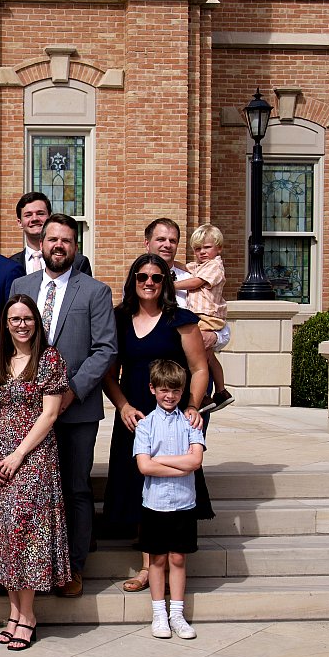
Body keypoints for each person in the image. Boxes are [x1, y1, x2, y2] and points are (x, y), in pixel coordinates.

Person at [8, 213, 116, 598]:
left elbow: (105, 349)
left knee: (75, 488)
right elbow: (10, 340)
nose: (58, 246)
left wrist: (71, 390)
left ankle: (74, 568)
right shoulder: (21, 286)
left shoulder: (95, 291)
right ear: (41, 244)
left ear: (75, 246)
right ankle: (33, 568)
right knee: (32, 491)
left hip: (76, 411)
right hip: (26, 411)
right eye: (52, 239)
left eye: (66, 240)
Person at [102, 252, 214, 591]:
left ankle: (171, 562)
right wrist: (122, 406)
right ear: (133, 280)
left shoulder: (181, 319)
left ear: (166, 282)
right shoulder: (119, 318)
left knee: (170, 484)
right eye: (142, 276)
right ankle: (148, 566)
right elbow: (109, 374)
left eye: (156, 277)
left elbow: (199, 368)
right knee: (139, 487)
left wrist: (193, 406)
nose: (148, 282)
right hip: (135, 417)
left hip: (172, 416)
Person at [0, 295, 71, 652]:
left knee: (23, 532)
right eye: (15, 319)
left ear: (36, 322)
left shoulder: (49, 359)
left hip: (34, 456)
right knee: (2, 533)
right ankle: (13, 613)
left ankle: (28, 616)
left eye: (27, 318)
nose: (21, 325)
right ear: (6, 323)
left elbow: (50, 414)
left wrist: (18, 454)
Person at [134, 360, 206, 640]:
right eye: (164, 390)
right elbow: (144, 466)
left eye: (175, 391)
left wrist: (161, 460)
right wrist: (181, 465)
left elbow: (195, 461)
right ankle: (159, 613)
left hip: (184, 502)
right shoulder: (146, 425)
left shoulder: (190, 422)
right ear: (152, 389)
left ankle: (177, 613)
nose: (170, 396)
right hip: (155, 503)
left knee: (178, 557)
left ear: (182, 391)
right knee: (157, 559)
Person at [177, 223, 233, 410]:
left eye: (207, 247)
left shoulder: (215, 266)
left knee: (196, 354)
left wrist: (171, 285)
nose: (202, 252)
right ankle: (221, 392)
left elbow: (196, 282)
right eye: (197, 249)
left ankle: (205, 395)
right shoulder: (200, 266)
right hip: (201, 316)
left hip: (207, 316)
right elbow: (185, 267)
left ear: (219, 248)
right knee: (207, 356)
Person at [10, 191, 91, 278]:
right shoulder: (10, 264)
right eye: (28, 215)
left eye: (40, 213)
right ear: (20, 222)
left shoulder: (79, 262)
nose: (34, 219)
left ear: (50, 217)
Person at [143, 218, 190, 309]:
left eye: (172, 241)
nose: (167, 245)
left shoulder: (188, 278)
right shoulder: (137, 280)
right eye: (161, 239)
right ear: (147, 244)